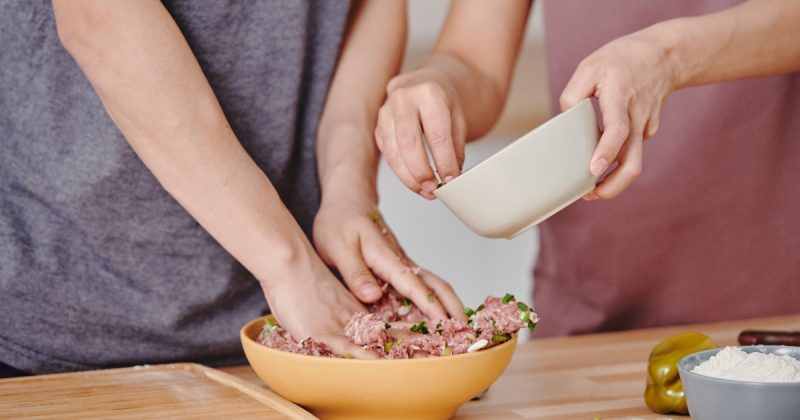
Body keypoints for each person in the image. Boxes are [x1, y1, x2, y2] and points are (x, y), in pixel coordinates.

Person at [0, 1, 464, 376]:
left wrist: (346, 188)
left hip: (285, 332)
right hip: (60, 322)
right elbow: (99, 17)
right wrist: (288, 264)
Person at [376, 0, 800, 337]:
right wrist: (438, 83)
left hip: (771, 302)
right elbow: (474, 59)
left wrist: (667, 56)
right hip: (590, 304)